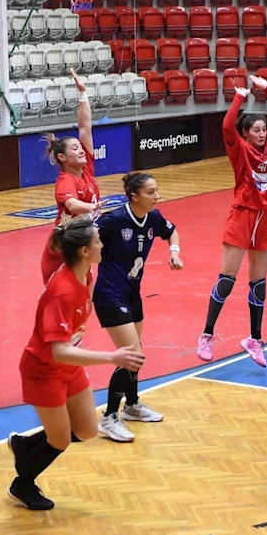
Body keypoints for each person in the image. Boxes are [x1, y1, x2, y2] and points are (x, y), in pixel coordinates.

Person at [9, 219, 146, 510]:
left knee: (86, 430)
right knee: (59, 440)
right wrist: (112, 357)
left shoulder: (86, 274)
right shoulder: (62, 290)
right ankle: (22, 485)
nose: (102, 245)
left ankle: (25, 445)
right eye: (98, 241)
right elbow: (59, 351)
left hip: (70, 366)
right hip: (44, 370)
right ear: (84, 250)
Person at [196, 75, 267, 367]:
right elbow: (227, 126)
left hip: (266, 218)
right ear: (246, 134)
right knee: (227, 279)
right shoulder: (238, 148)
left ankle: (255, 340)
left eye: (263, 129)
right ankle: (207, 334)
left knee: (259, 282)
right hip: (243, 214)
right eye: (256, 130)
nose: (262, 133)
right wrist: (238, 97)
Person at [93, 172, 182, 442]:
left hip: (132, 294)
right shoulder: (113, 220)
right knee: (133, 354)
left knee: (136, 351)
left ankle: (131, 405)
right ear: (134, 197)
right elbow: (84, 241)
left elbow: (172, 231)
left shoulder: (153, 217)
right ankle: (109, 416)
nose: (157, 196)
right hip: (109, 294)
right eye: (151, 192)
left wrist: (174, 252)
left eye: (157, 190)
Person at [40, 69, 103, 285]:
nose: (81, 150)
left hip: (79, 243)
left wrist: (83, 94)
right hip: (61, 249)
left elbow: (85, 128)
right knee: (63, 297)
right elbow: (72, 204)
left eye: (80, 147)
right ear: (62, 157)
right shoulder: (65, 181)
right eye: (75, 148)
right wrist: (91, 207)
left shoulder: (87, 168)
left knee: (87, 291)